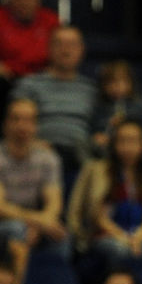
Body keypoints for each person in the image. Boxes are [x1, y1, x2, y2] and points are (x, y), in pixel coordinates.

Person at [67, 121, 142, 270]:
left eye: (133, 141)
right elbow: (98, 216)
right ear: (113, 144)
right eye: (122, 141)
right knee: (118, 250)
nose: (128, 147)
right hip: (107, 233)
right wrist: (122, 237)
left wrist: (138, 237)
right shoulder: (97, 171)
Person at [11, 25, 98, 186]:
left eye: (72, 44)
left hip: (81, 157)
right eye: (59, 44)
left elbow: (99, 129)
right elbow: (13, 123)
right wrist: (31, 142)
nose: (66, 50)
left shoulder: (92, 89)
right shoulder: (29, 85)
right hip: (36, 155)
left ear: (81, 50)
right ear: (49, 48)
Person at [0, 98, 69, 263]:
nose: (22, 126)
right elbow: (1, 208)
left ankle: (54, 280)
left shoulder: (48, 158)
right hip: (5, 224)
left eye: (28, 120)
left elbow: (54, 204)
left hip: (35, 222)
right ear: (5, 124)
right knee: (16, 229)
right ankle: (16, 281)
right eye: (16, 119)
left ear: (36, 126)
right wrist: (38, 222)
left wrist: (40, 225)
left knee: (61, 236)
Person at [0, 0, 58, 117]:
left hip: (42, 81)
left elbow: (61, 53)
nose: (24, 1)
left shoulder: (51, 21)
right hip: (7, 82)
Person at [90, 60, 142, 156]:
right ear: (103, 85)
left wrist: (126, 120)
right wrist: (98, 136)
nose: (117, 87)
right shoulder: (100, 106)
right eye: (111, 83)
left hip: (134, 145)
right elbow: (94, 126)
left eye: (122, 82)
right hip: (107, 147)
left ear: (131, 83)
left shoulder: (139, 103)